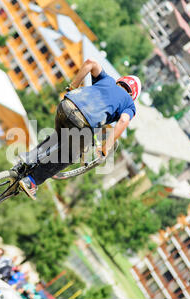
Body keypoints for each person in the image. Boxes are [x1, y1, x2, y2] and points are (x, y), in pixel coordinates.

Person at [18, 58, 142, 200]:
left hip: (66, 105)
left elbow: (90, 63)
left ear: (120, 81)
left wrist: (73, 86)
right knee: (70, 154)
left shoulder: (107, 80)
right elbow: (124, 120)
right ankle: (32, 181)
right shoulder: (129, 105)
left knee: (59, 136)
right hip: (81, 122)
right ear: (133, 96)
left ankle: (29, 158)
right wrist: (105, 148)